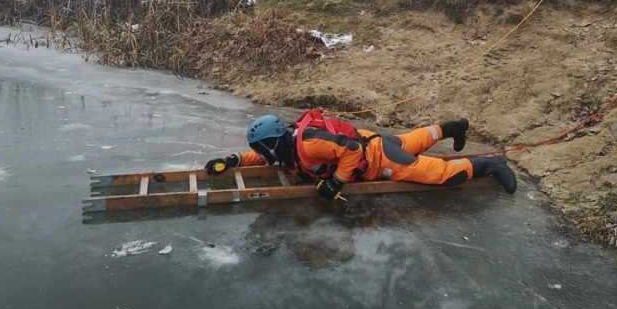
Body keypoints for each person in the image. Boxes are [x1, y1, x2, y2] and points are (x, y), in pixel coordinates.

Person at [205, 111, 517, 201]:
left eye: (261, 148)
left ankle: (492, 164)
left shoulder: (307, 145)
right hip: (373, 142)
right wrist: (233, 160)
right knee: (413, 141)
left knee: (441, 175)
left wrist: (336, 183)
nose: (261, 154)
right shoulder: (287, 145)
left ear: (274, 141)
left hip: (378, 159)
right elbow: (267, 159)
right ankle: (453, 127)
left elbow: (352, 151)